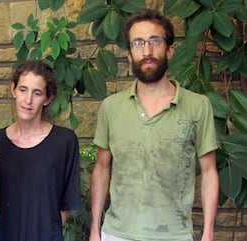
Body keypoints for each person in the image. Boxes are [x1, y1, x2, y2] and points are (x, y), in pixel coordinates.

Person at [89, 8, 219, 241]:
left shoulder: (198, 106)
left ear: (170, 50)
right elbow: (102, 168)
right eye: (138, 43)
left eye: (154, 41)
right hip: (117, 234)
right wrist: (94, 229)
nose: (146, 50)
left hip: (174, 235)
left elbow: (209, 171)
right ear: (129, 55)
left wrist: (208, 233)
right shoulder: (111, 107)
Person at [0, 60, 81, 241]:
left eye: (37, 93)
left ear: (48, 98)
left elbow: (66, 205)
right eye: (23, 90)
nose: (28, 100)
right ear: (13, 89)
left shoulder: (64, 142)